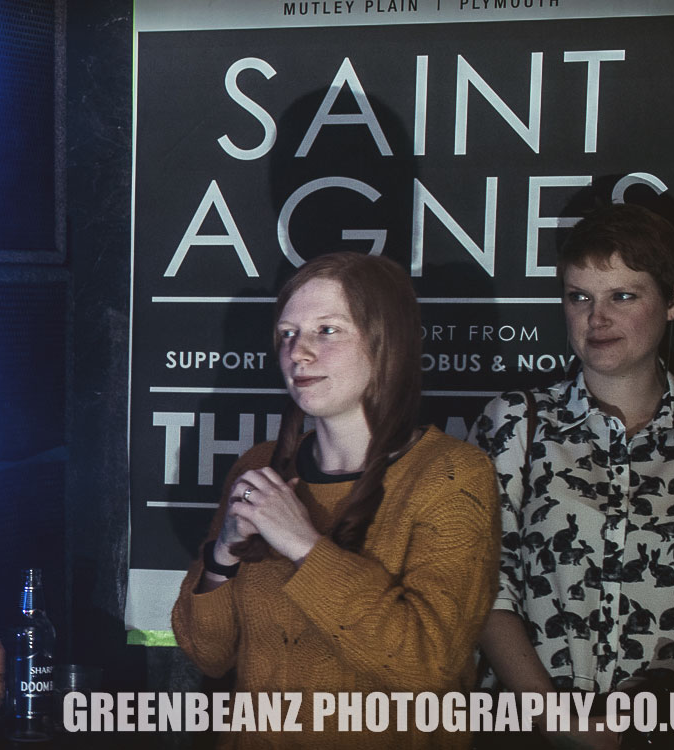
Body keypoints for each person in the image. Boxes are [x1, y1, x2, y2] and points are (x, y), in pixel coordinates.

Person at [172, 251, 501, 748]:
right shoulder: (259, 466)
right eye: (287, 333)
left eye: (326, 331)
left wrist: (304, 544)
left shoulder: (451, 475)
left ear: (385, 341)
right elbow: (209, 653)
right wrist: (222, 555)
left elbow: (430, 663)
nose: (298, 352)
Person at [473, 203, 674, 750]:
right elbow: (487, 588)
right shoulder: (517, 422)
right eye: (579, 297)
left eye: (624, 295)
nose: (597, 318)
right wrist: (561, 725)